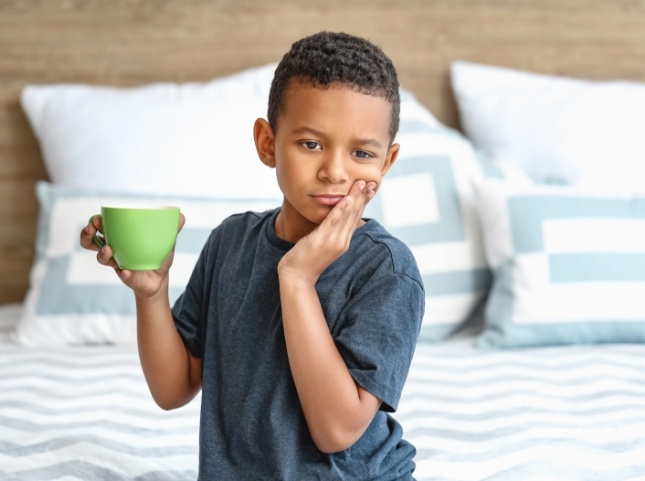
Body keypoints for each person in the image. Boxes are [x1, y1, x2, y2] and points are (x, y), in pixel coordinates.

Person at [81, 31, 425, 480]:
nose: (335, 171)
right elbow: (173, 389)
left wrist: (298, 278)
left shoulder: (387, 270)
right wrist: (152, 293)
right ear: (267, 143)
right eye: (312, 144)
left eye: (361, 152)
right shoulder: (231, 242)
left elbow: (336, 431)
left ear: (386, 162)